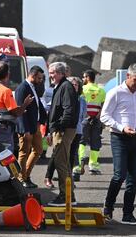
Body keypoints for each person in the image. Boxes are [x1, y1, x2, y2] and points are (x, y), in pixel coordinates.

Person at [100, 63, 136, 225]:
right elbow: (104, 116)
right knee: (119, 175)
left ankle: (128, 213)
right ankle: (108, 207)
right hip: (119, 138)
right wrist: (122, 128)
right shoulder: (115, 93)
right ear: (128, 77)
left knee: (133, 178)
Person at [47, 62, 79, 206]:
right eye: (50, 72)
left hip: (63, 130)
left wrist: (59, 127)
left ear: (61, 73)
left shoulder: (66, 87)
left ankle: (64, 196)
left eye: (53, 72)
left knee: (61, 164)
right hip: (61, 129)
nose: (50, 75)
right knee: (64, 163)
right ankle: (69, 195)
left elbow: (68, 111)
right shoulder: (61, 86)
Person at [45, 76, 86, 187]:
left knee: (71, 155)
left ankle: (69, 181)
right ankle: (48, 177)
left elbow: (83, 115)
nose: (73, 87)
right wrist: (52, 130)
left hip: (77, 131)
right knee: (57, 155)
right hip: (64, 130)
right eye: (71, 85)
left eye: (75, 85)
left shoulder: (81, 99)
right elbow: (50, 110)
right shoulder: (64, 95)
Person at [0, 61, 33, 152]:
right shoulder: (6, 91)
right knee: (6, 157)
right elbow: (15, 112)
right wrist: (25, 104)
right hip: (3, 129)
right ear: (8, 74)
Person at [15, 66, 47, 188]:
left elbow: (38, 105)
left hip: (35, 125)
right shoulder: (22, 88)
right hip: (26, 128)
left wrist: (42, 120)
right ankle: (21, 178)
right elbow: (20, 110)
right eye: (39, 78)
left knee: (38, 150)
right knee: (23, 153)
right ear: (32, 76)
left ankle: (25, 175)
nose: (40, 80)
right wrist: (25, 130)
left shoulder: (33, 87)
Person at [73, 69, 106, 178]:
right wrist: (97, 116)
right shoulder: (101, 90)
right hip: (96, 119)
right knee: (95, 142)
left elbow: (82, 105)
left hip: (84, 119)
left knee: (81, 141)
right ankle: (93, 165)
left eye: (83, 77)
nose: (83, 79)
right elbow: (102, 105)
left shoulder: (83, 89)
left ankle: (79, 163)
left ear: (87, 77)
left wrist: (87, 116)